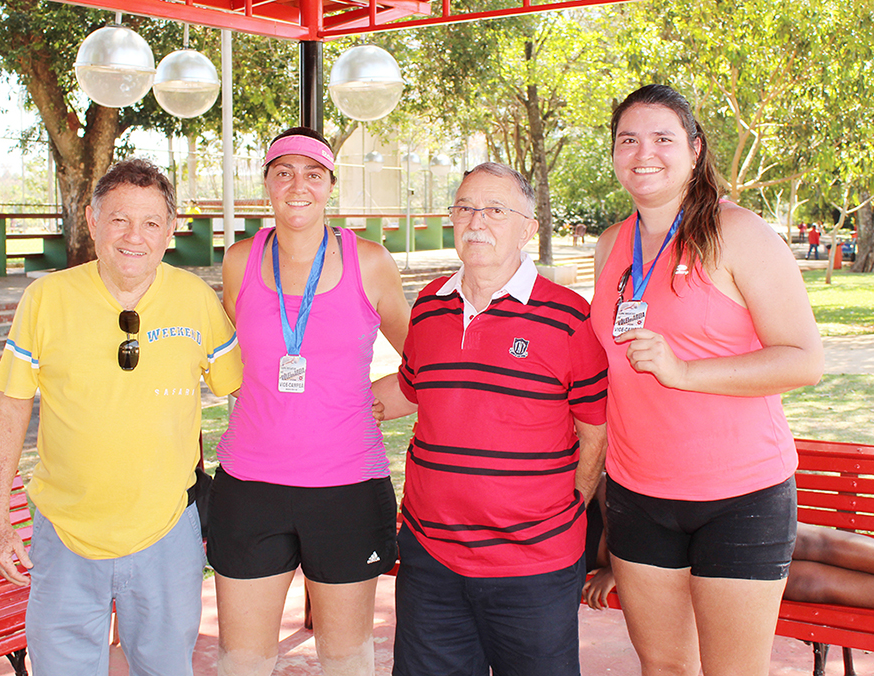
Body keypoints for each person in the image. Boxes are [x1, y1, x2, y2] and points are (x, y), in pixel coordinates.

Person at [591, 84, 824, 676]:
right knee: (664, 667)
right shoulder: (610, 245)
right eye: (628, 140)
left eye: (663, 138)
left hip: (739, 496)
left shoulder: (737, 231)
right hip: (638, 493)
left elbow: (803, 359)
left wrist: (685, 371)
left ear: (695, 150)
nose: (644, 153)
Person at [0, 158, 242, 675]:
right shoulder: (46, 299)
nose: (134, 236)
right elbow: (11, 405)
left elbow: (239, 390)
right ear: (92, 220)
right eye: (119, 219)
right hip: (64, 534)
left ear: (170, 232)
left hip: (167, 532)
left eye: (151, 223)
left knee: (165, 668)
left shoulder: (195, 299)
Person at [373, 162, 609, 676]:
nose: (476, 221)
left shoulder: (569, 318)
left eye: (495, 210)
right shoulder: (430, 306)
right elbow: (411, 389)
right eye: (465, 208)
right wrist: (324, 409)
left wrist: (569, 506)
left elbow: (596, 432)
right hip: (430, 558)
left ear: (528, 228)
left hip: (534, 565)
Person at [206, 127, 410, 676]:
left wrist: (375, 401)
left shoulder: (370, 261)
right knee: (241, 661)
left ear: (330, 187)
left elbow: (423, 362)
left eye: (313, 174)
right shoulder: (239, 260)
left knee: (345, 660)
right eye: (284, 172)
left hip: (347, 487)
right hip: (251, 486)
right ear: (267, 183)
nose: (299, 185)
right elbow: (227, 357)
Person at [583, 476, 874, 612]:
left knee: (810, 543)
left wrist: (619, 561)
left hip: (679, 513)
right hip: (675, 566)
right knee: (802, 585)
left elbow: (603, 481)